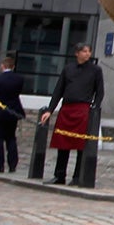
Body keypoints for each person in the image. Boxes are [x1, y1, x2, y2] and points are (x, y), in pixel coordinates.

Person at [40, 42, 103, 185]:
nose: (87, 54)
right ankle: (59, 175)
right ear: (77, 53)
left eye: (89, 51)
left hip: (83, 109)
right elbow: (58, 90)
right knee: (62, 144)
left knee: (81, 144)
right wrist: (50, 109)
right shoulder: (68, 69)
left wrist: (95, 108)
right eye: (84, 51)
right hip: (67, 108)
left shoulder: (95, 70)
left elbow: (100, 92)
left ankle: (77, 177)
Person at [0, 53, 27, 174]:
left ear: (3, 66)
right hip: (12, 112)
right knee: (11, 138)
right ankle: (12, 165)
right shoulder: (19, 79)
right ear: (13, 67)